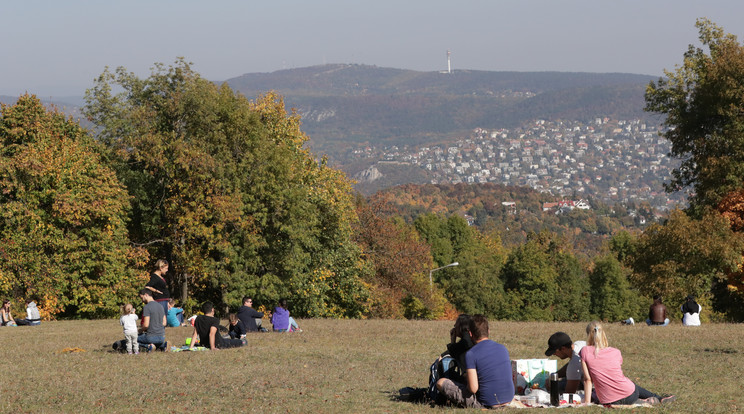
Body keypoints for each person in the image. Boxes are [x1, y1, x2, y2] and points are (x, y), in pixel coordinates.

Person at [580, 321, 675, 406]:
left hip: (607, 400)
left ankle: (646, 401)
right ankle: (657, 398)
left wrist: (587, 402)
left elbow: (587, 380)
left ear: (588, 335)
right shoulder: (616, 352)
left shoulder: (585, 351)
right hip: (629, 395)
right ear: (603, 334)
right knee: (630, 385)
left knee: (626, 388)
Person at [435, 314, 515, 408]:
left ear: (470, 334)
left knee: (441, 382)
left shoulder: (471, 354)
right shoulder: (502, 348)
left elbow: (473, 389)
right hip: (508, 398)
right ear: (488, 331)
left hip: (486, 403)